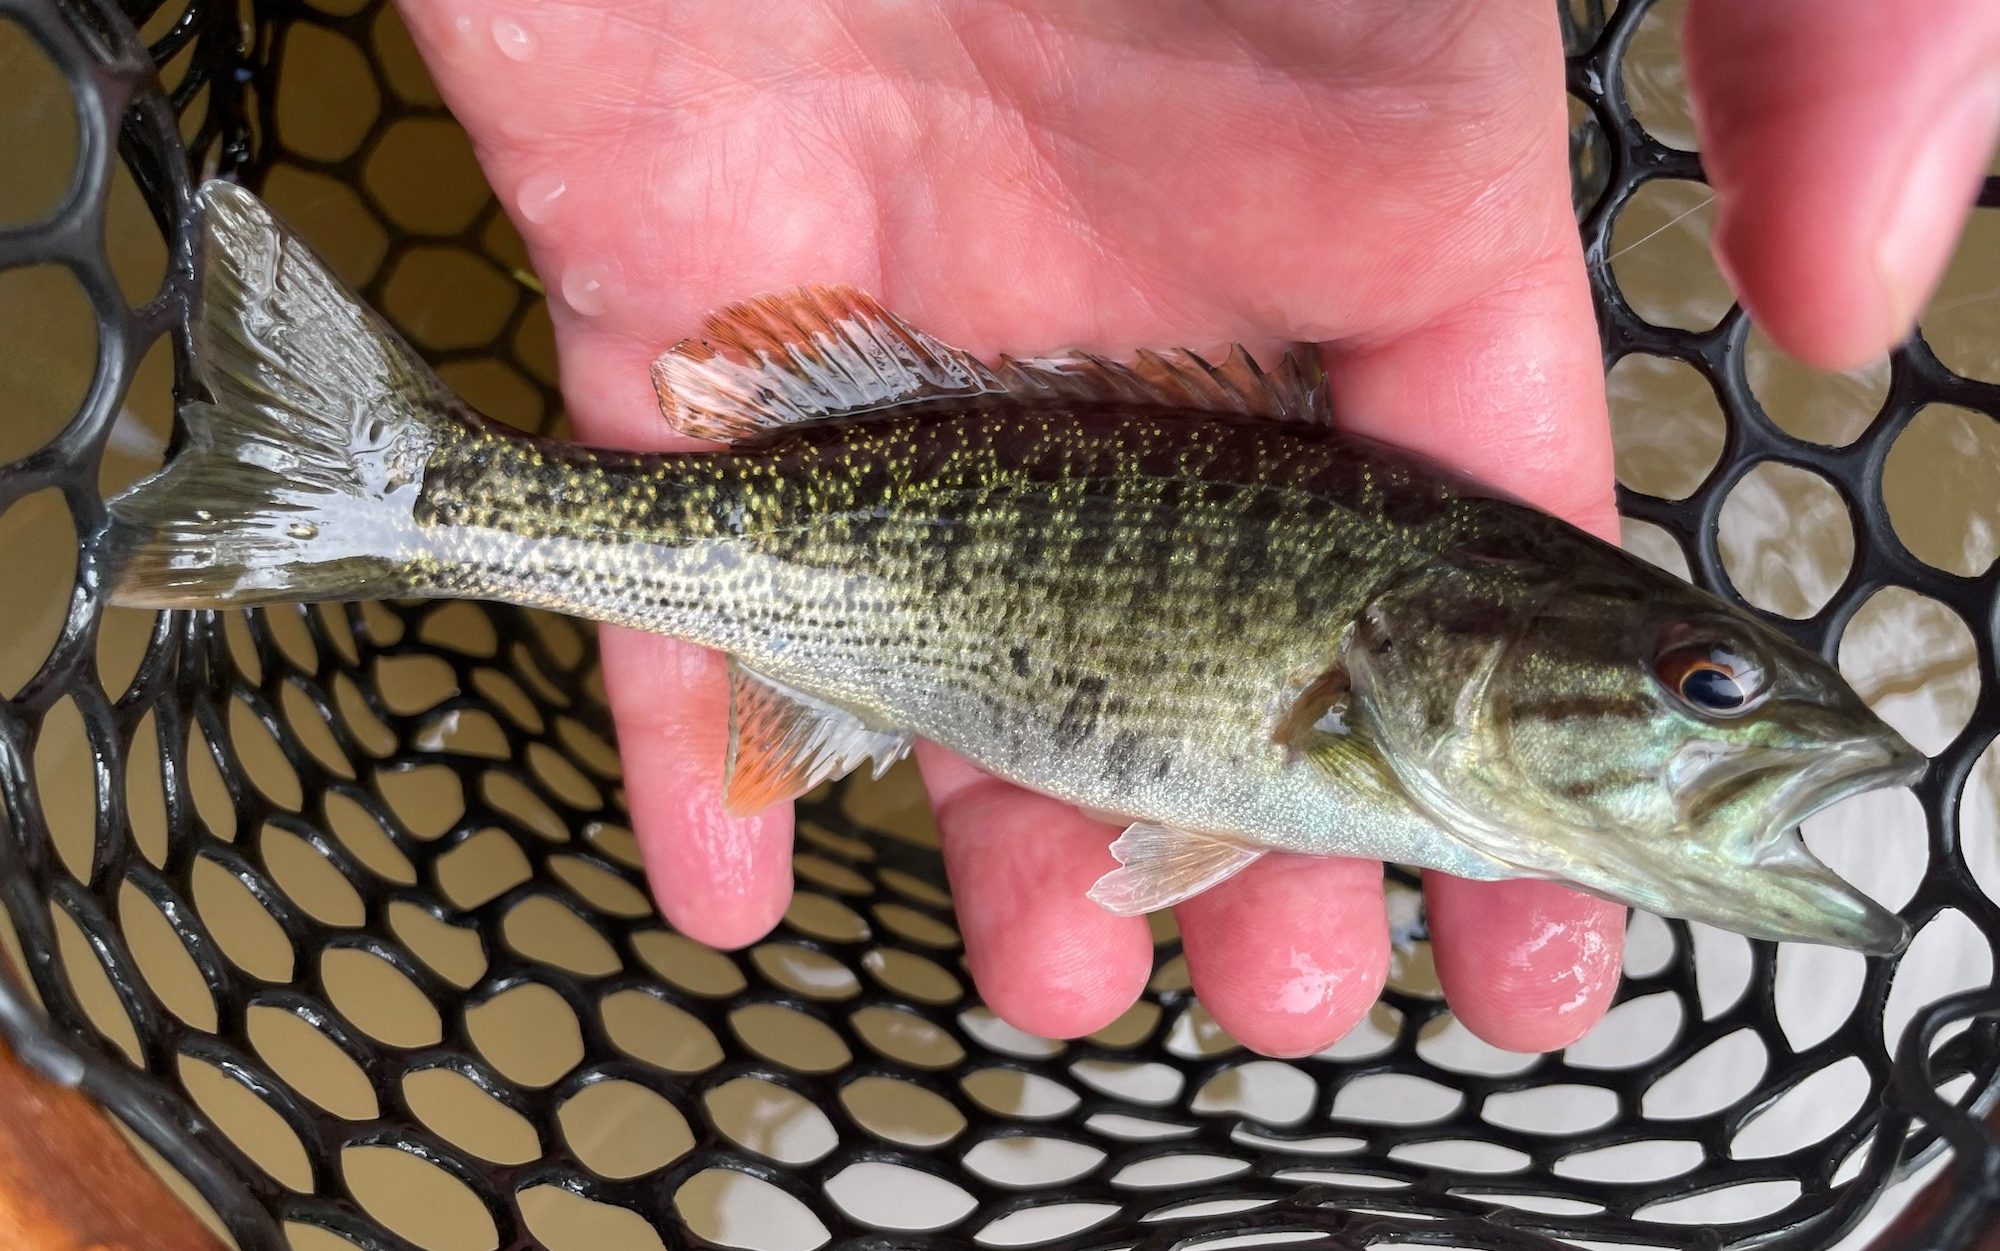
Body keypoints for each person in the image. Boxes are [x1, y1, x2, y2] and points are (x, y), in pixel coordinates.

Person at [392, 0, 2000, 1057]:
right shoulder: (1385, 657)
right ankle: (403, 492)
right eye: (1704, 686)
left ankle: (397, 494)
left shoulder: (1404, 670)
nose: (1724, 712)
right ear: (1459, 646)